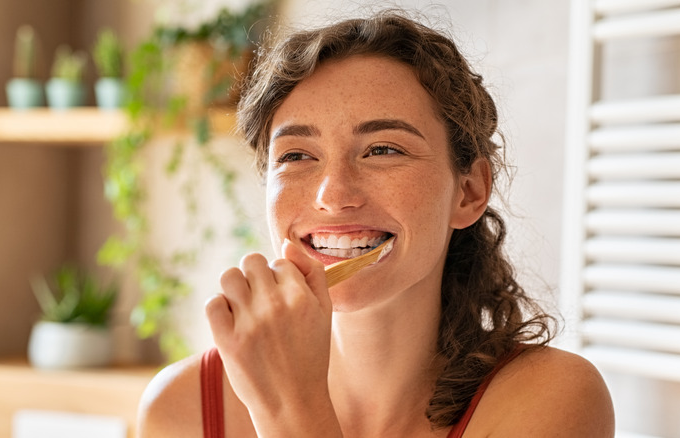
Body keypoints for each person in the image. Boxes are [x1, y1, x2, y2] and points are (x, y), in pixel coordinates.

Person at [137, 10, 615, 438]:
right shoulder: (182, 410)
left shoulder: (551, 401)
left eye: (383, 150)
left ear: (468, 192)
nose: (332, 195)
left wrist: (290, 407)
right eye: (297, 155)